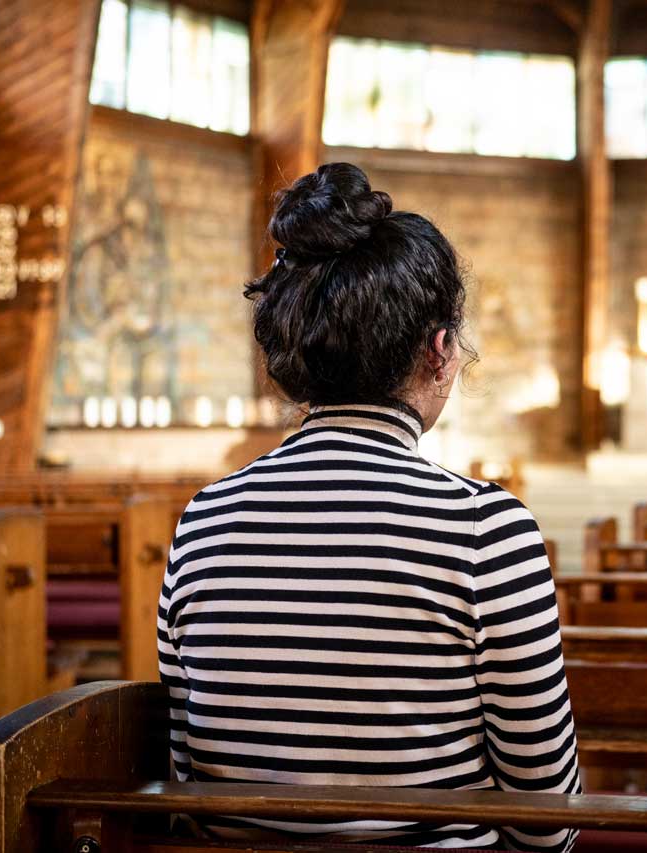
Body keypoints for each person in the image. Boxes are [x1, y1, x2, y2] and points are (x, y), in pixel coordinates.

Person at [156, 163, 580, 852]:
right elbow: (547, 819)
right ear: (441, 352)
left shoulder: (203, 519)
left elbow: (184, 772)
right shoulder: (485, 533)